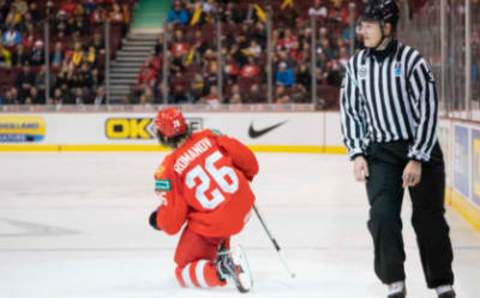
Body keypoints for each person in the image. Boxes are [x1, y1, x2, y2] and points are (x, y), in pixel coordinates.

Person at [339, 1, 455, 298]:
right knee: (382, 216)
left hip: (421, 150)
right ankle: (395, 281)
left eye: (368, 24)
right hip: (380, 152)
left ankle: (442, 282)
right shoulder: (356, 65)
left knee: (428, 218)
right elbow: (351, 110)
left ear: (387, 27)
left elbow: (427, 111)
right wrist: (357, 152)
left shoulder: (412, 61)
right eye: (361, 24)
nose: (361, 30)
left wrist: (417, 157)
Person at [148, 107, 257, 292]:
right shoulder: (211, 136)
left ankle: (222, 269)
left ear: (164, 137)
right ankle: (221, 250)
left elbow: (172, 222)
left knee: (182, 271)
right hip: (245, 205)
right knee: (215, 211)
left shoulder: (168, 170)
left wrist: (158, 220)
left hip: (219, 222)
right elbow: (251, 164)